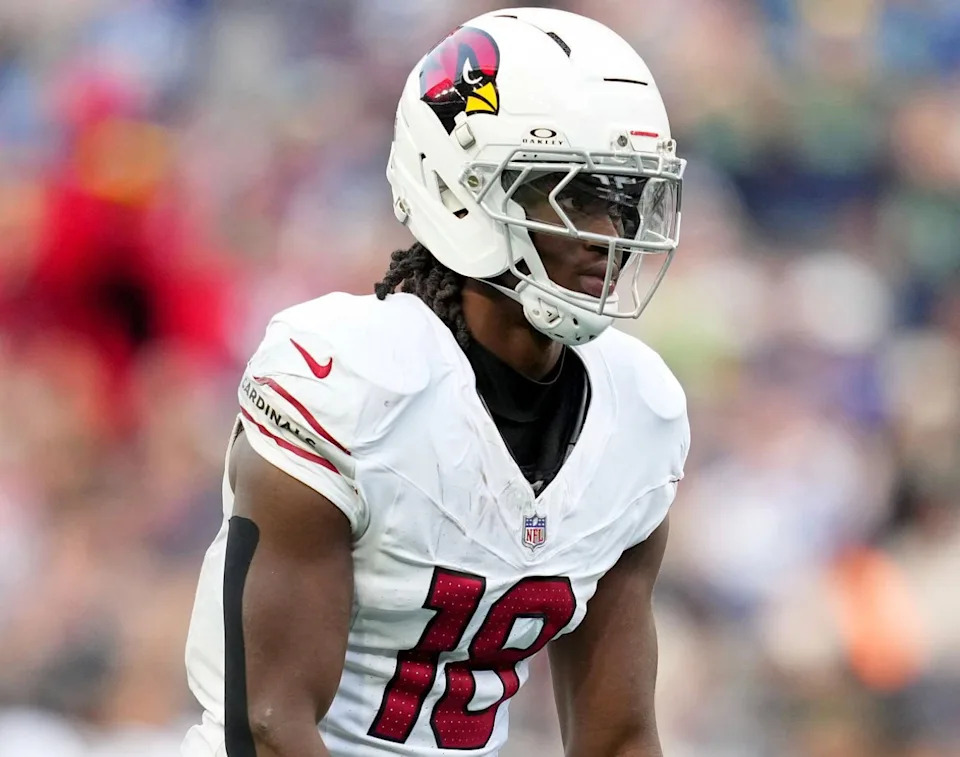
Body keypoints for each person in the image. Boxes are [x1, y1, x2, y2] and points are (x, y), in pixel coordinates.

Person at [182, 7, 689, 757]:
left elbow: (617, 736)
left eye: (623, 197)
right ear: (462, 189)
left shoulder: (639, 410)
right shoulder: (350, 381)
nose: (611, 233)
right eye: (574, 195)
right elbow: (271, 724)